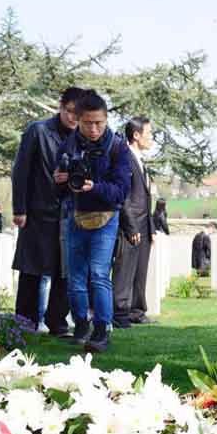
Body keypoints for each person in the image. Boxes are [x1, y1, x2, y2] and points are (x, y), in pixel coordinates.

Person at [56, 90, 131, 352]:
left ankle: (101, 330)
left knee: (99, 274)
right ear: (78, 120)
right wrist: (61, 181)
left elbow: (121, 192)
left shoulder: (118, 147)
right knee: (75, 277)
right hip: (75, 215)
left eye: (99, 122)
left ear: (106, 119)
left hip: (106, 217)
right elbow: (58, 186)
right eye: (88, 123)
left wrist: (93, 187)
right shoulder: (68, 145)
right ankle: (80, 324)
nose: (94, 128)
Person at [11, 87, 85, 337]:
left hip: (70, 213)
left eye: (79, 114)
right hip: (38, 211)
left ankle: (58, 322)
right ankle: (25, 322)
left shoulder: (83, 139)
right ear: (61, 107)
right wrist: (19, 208)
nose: (74, 119)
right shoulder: (38, 131)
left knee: (65, 271)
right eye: (71, 112)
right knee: (32, 270)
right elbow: (21, 170)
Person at [113, 116, 156, 329]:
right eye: (149, 134)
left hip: (144, 225)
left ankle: (137, 311)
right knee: (125, 269)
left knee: (140, 270)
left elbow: (146, 197)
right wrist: (130, 226)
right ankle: (120, 312)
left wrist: (151, 227)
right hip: (130, 225)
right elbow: (124, 196)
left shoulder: (140, 160)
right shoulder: (125, 158)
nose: (152, 138)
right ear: (136, 135)